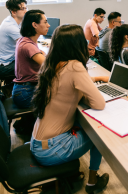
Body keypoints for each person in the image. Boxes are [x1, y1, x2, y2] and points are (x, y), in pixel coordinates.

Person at [30, 24, 110, 193]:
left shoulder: (51, 63)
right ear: (77, 44)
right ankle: (93, 182)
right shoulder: (74, 66)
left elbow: (66, 87)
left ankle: (79, 175)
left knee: (85, 124)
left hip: (38, 143)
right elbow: (99, 104)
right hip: (52, 149)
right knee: (100, 133)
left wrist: (90, 83)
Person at [12, 10, 49, 134]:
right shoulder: (28, 45)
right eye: (45, 22)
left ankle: (27, 123)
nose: (48, 25)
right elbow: (49, 65)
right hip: (25, 93)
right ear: (35, 25)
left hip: (21, 90)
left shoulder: (25, 41)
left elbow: (41, 56)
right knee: (61, 98)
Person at [0, 0, 28, 84]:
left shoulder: (14, 21)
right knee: (34, 66)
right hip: (4, 67)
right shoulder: (10, 26)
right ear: (13, 12)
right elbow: (26, 45)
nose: (26, 11)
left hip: (9, 61)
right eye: (23, 9)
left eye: (26, 8)